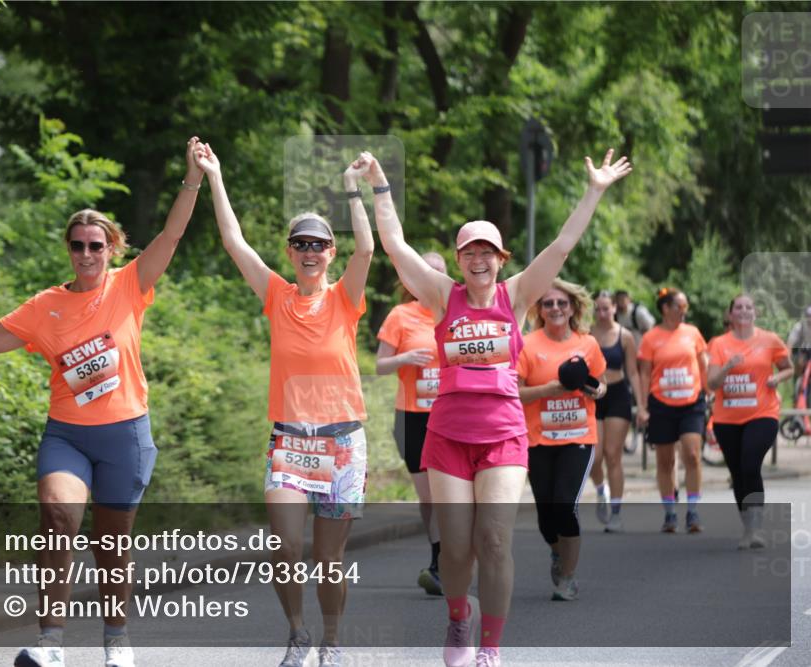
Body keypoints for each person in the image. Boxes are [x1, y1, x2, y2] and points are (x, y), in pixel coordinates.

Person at [0, 138, 207, 667]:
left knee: (111, 546)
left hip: (125, 435)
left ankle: (117, 642)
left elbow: (172, 233)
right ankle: (51, 645)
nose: (88, 254)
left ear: (111, 249)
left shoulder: (129, 286)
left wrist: (194, 176)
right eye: (79, 246)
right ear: (68, 250)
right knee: (56, 513)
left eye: (97, 246)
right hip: (67, 434)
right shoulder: (44, 305)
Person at [371, 148, 631, 667]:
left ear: (500, 258)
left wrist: (594, 190)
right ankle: (458, 619)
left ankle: (490, 647)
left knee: (493, 539)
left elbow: (560, 246)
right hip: (446, 436)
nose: (479, 259)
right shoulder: (445, 297)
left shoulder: (516, 297)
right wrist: (380, 184)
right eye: (470, 252)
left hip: (504, 436)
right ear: (460, 258)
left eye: (488, 251)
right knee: (455, 549)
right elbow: (395, 245)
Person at [194, 143, 373, 667]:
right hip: (291, 443)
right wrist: (215, 175)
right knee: (285, 548)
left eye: (319, 243)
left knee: (330, 559)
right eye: (301, 243)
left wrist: (351, 188)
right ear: (291, 252)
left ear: (329, 252)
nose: (311, 250)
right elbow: (233, 241)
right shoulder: (275, 295)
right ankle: (297, 633)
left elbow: (367, 249)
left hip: (343, 441)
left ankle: (332, 643)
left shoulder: (345, 298)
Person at [518, 280, 606, 601]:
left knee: (565, 505)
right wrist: (548, 390)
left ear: (573, 308)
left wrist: (600, 390)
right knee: (546, 516)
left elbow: (599, 382)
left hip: (579, 437)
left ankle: (567, 577)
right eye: (548, 303)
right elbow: (514, 392)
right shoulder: (527, 344)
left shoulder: (588, 344)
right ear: (539, 310)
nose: (555, 308)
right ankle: (557, 553)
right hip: (538, 439)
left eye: (561, 303)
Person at [376, 252, 449, 596]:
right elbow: (380, 366)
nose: (430, 278)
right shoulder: (400, 316)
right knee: (431, 497)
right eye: (424, 272)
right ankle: (440, 560)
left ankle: (446, 561)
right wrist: (405, 358)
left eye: (437, 273)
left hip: (452, 415)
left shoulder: (456, 314)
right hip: (412, 417)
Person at [707, 295, 792, 548]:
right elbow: (711, 383)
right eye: (738, 307)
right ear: (731, 315)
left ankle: (755, 530)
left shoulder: (770, 340)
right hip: (726, 418)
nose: (743, 311)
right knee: (737, 471)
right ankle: (748, 527)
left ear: (755, 313)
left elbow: (788, 367)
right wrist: (727, 367)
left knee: (750, 464)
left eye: (748, 307)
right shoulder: (719, 344)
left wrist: (778, 379)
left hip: (762, 414)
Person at [636, 287, 708, 534]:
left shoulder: (693, 333)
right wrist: (643, 407)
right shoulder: (651, 337)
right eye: (681, 306)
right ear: (666, 308)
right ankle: (669, 513)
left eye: (686, 306)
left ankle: (693, 510)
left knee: (692, 454)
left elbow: (703, 365)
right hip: (661, 404)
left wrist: (710, 392)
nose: (684, 310)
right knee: (665, 461)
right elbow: (644, 373)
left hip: (691, 403)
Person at [588, 290, 641, 532]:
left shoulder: (625, 336)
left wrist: (642, 405)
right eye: (597, 308)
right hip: (592, 395)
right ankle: (601, 491)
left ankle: (617, 512)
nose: (601, 313)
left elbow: (633, 372)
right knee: (594, 458)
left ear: (614, 309)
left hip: (618, 394)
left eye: (605, 308)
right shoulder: (586, 334)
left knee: (612, 454)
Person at [786, 305, 811, 405]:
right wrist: (787, 356)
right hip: (803, 350)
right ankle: (798, 382)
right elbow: (790, 343)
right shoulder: (799, 326)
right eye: (808, 316)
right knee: (799, 362)